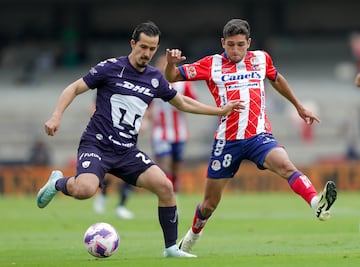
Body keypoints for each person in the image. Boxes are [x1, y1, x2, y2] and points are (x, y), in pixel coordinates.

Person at [37, 21, 243, 258]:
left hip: (126, 151)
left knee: (165, 187)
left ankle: (170, 249)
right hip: (97, 144)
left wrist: (219, 110)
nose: (146, 53)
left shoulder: (155, 78)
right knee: (84, 190)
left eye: (152, 49)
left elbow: (182, 102)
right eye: (143, 47)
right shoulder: (110, 68)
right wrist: (56, 116)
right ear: (133, 44)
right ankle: (57, 183)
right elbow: (74, 88)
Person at [165, 18, 337, 253]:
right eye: (231, 45)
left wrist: (298, 106)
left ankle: (316, 203)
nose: (235, 50)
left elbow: (276, 79)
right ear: (223, 43)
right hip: (227, 141)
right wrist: (170, 63)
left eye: (240, 45)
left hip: (259, 136)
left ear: (249, 43)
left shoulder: (260, 59)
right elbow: (172, 77)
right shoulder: (211, 64)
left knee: (285, 165)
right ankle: (191, 238)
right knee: (209, 204)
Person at [148, 55, 198, 191]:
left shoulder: (184, 84)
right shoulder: (151, 83)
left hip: (179, 133)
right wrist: (145, 120)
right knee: (165, 165)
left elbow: (193, 102)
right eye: (161, 64)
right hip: (160, 133)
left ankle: (173, 194)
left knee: (176, 169)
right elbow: (147, 106)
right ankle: (167, 192)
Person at [88, 98, 136, 219]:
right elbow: (93, 106)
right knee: (108, 173)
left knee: (132, 171)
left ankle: (121, 206)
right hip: (109, 138)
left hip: (127, 139)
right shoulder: (111, 84)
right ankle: (103, 196)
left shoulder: (138, 91)